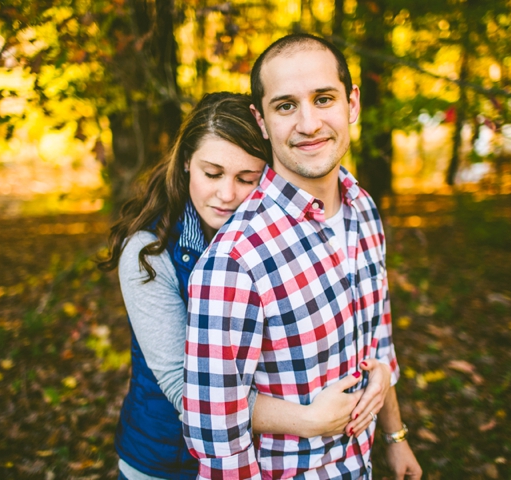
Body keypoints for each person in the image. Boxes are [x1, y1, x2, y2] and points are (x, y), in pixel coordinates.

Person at [99, 92, 390, 480]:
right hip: (167, 461)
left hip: (263, 460)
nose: (227, 194)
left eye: (246, 179)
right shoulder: (148, 254)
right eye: (212, 173)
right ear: (187, 161)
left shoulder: (280, 238)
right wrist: (306, 419)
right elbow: (187, 391)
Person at [183, 35, 422, 479]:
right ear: (261, 120)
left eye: (324, 98)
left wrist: (395, 437)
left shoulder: (363, 208)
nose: (309, 123)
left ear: (351, 103)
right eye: (286, 106)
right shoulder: (237, 258)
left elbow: (379, 343)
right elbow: (217, 434)